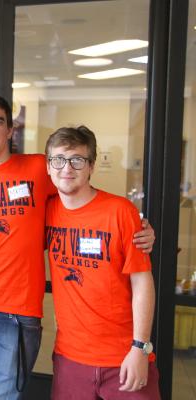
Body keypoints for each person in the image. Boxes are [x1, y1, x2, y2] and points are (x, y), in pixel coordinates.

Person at [0, 94, 155, 400]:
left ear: (11, 130)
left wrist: (136, 227)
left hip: (16, 315)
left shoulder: (38, 168)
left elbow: (81, 194)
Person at [44, 126, 160, 399]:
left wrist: (139, 348)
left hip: (123, 357)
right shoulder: (45, 211)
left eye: (77, 160)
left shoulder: (120, 212)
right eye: (58, 159)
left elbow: (142, 282)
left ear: (92, 166)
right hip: (69, 358)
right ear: (48, 166)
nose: (67, 168)